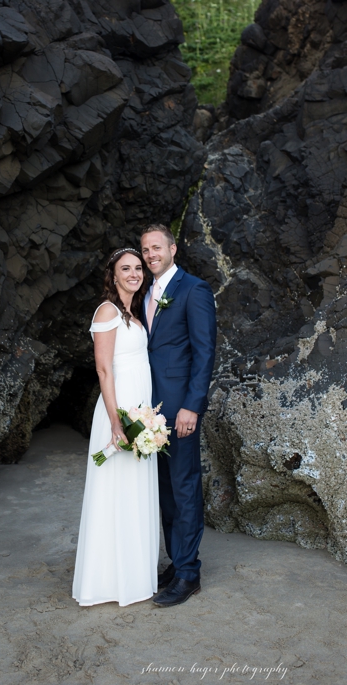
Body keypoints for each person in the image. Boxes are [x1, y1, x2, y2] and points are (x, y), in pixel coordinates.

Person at [72, 248, 160, 607]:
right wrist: (115, 421)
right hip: (119, 413)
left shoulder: (133, 312)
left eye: (138, 268)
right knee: (115, 492)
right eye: (126, 269)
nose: (134, 274)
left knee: (134, 491)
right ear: (113, 275)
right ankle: (108, 582)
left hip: (140, 412)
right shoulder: (107, 311)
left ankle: (136, 574)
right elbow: (104, 369)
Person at [140, 224, 216, 607]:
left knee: (184, 487)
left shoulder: (194, 290)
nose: (151, 254)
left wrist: (192, 406)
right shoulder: (145, 294)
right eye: (145, 250)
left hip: (181, 408)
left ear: (172, 249)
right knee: (165, 490)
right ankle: (176, 560)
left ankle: (189, 573)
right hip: (151, 410)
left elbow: (204, 353)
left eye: (157, 247)